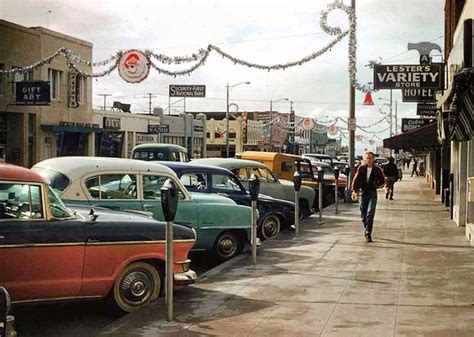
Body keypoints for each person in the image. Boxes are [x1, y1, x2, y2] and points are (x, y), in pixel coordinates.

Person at [351, 152, 385, 242]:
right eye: (367, 158)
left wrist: (377, 185)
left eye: (370, 158)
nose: (368, 160)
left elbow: (382, 180)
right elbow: (356, 180)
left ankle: (368, 232)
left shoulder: (377, 169)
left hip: (372, 193)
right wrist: (354, 190)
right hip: (363, 193)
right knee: (363, 213)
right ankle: (366, 227)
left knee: (370, 212)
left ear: (373, 159)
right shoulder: (361, 168)